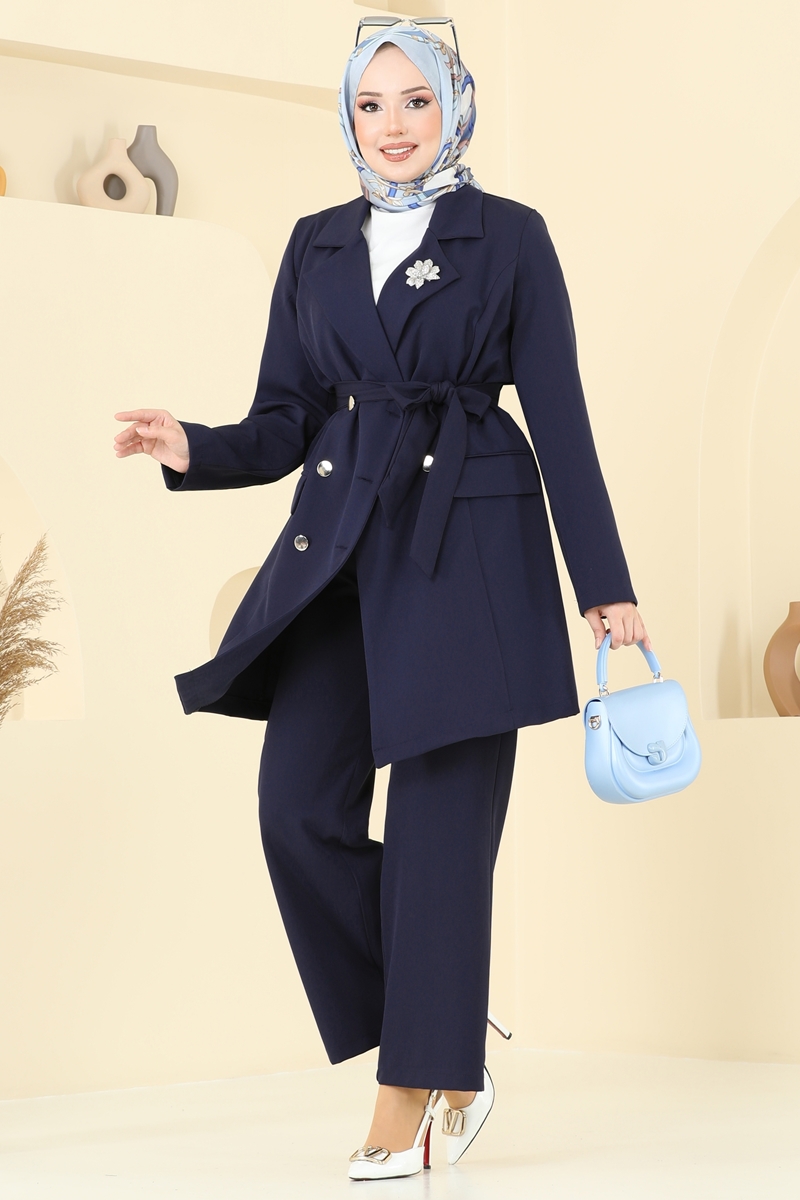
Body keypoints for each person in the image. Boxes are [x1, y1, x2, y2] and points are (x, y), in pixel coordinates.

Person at [114, 18, 650, 1181]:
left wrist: (603, 587)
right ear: (347, 116)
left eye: (416, 101)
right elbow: (286, 418)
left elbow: (558, 413)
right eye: (370, 104)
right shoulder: (313, 244)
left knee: (437, 839)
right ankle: (442, 1023)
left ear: (454, 107)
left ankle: (411, 1083)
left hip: (470, 548)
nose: (393, 125)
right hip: (343, 552)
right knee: (294, 810)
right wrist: (193, 446)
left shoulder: (507, 237)